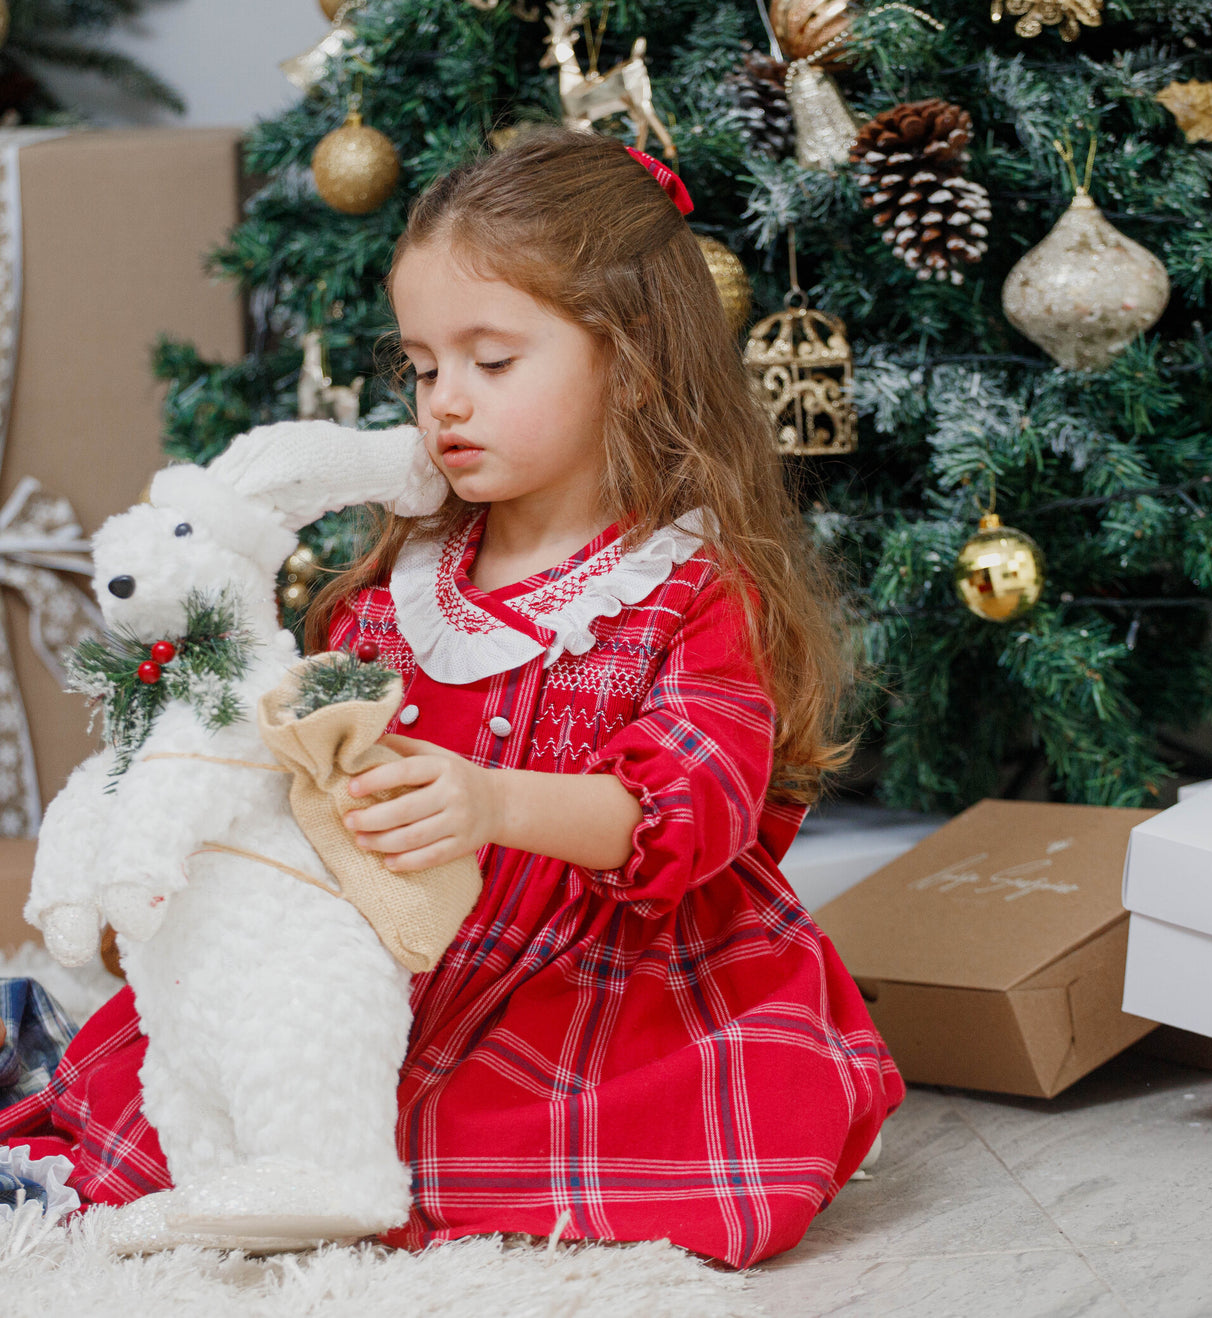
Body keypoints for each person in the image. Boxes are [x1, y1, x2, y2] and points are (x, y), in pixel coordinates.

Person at [0, 128, 903, 1268]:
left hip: (594, 965)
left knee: (663, 1122)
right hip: (389, 955)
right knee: (183, 1086)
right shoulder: (400, 584)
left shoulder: (685, 585)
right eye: (424, 368)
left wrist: (494, 804)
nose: (444, 404)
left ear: (628, 359)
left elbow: (687, 810)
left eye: (491, 361)